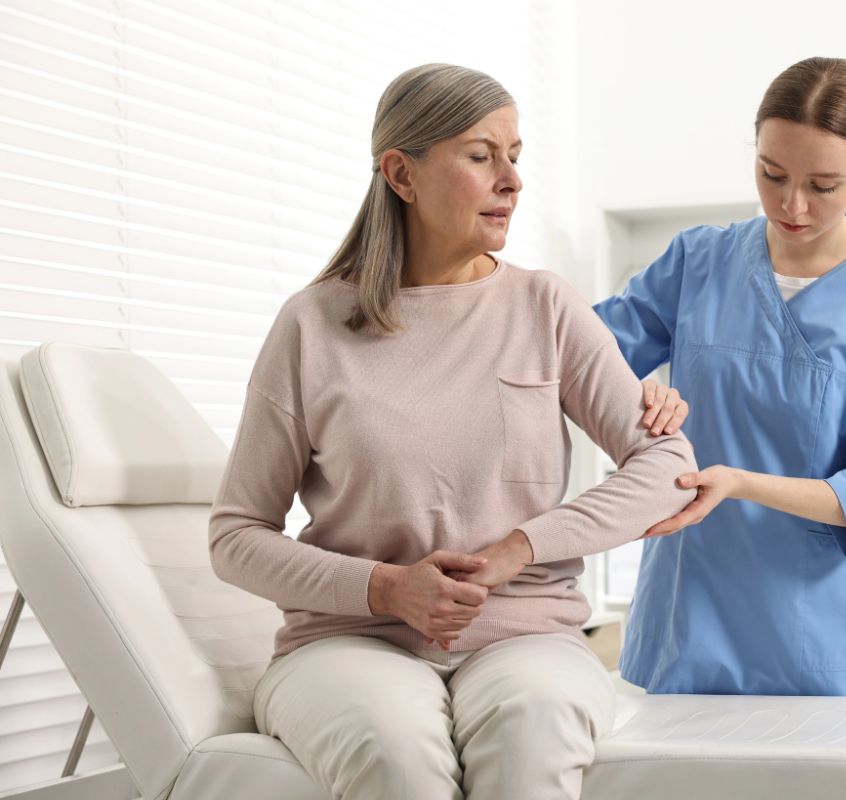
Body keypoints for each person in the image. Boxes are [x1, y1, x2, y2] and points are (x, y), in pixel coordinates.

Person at [208, 63, 697, 800]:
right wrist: (384, 588)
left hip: (528, 635)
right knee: (393, 747)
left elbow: (668, 464)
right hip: (348, 641)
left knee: (532, 725)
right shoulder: (311, 325)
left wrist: (519, 548)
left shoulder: (544, 307)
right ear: (402, 174)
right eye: (481, 155)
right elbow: (236, 535)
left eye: (515, 156)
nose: (512, 180)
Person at [595, 57, 846, 697]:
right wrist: (638, 389)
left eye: (823, 185)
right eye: (772, 174)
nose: (792, 204)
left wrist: (738, 483)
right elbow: (582, 359)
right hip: (684, 615)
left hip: (813, 634)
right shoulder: (698, 261)